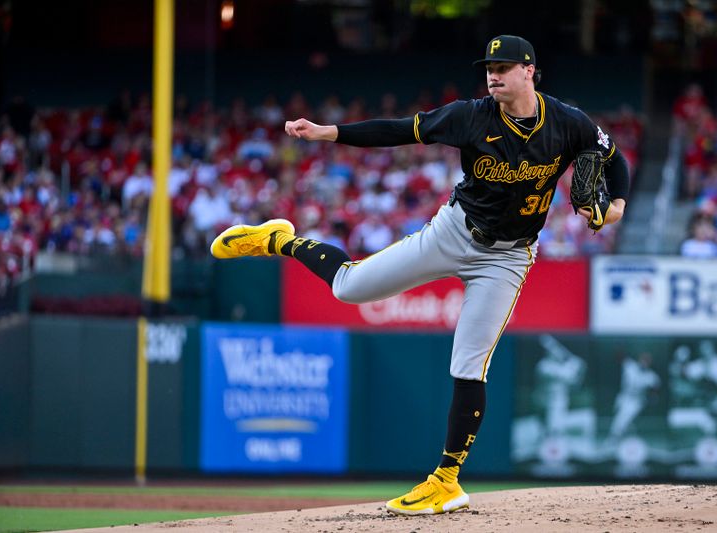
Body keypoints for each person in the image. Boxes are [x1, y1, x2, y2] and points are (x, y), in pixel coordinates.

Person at [211, 34, 630, 515]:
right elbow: (398, 130)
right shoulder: (470, 116)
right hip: (453, 232)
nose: (493, 74)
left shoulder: (568, 123)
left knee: (470, 365)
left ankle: (446, 479)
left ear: (529, 71)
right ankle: (279, 239)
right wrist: (330, 133)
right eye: (489, 66)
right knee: (350, 288)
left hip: (507, 257)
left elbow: (613, 159)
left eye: (504, 66)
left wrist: (615, 207)